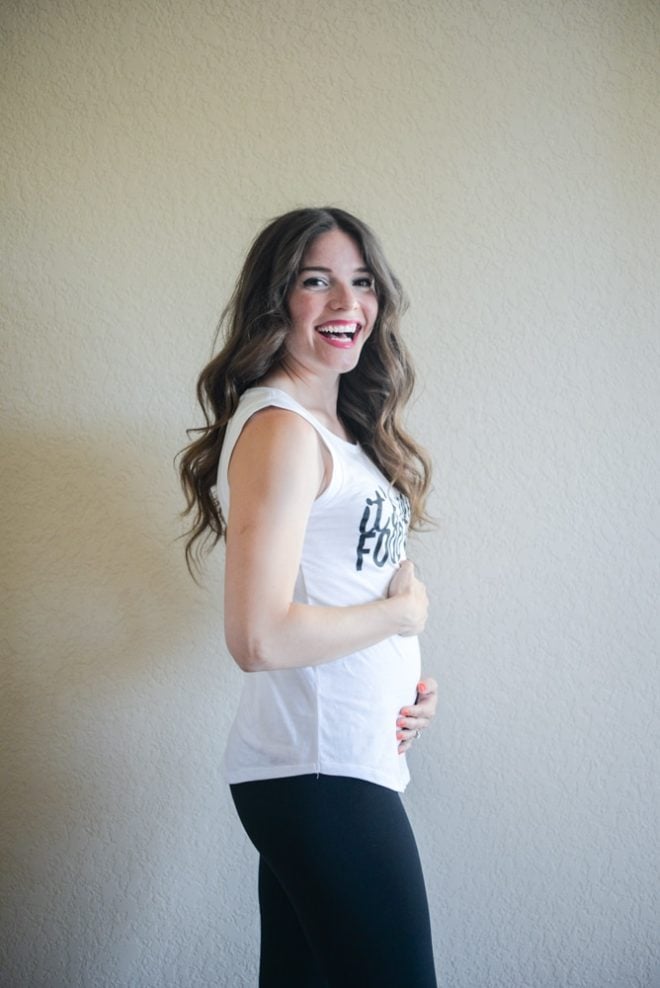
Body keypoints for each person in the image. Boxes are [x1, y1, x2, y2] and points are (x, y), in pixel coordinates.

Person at [179, 207, 438, 986]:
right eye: (315, 281)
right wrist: (399, 618)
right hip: (317, 771)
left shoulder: (338, 429)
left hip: (342, 760)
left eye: (361, 283)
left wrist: (404, 675)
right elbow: (258, 639)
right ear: (275, 297)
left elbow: (332, 589)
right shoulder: (283, 429)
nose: (345, 304)